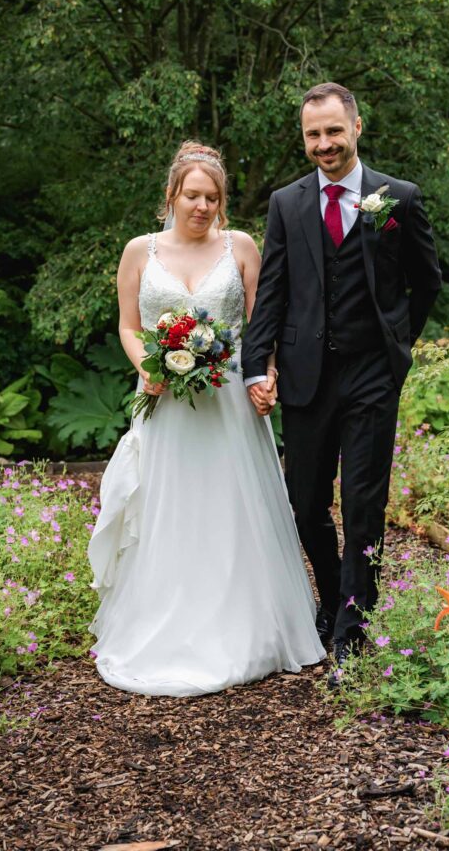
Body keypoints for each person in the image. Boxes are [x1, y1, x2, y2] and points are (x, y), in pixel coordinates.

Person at [87, 141, 325, 696]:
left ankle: (244, 627)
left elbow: (264, 322)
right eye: (192, 195)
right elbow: (127, 325)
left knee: (230, 509)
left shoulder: (240, 246)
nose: (201, 206)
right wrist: (146, 364)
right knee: (172, 510)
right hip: (166, 399)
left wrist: (266, 377)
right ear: (172, 194)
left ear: (222, 203)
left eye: (212, 198)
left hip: (230, 403)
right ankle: (166, 625)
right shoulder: (138, 252)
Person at [242, 83, 442, 687]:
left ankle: (353, 632)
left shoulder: (397, 199)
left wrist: (395, 346)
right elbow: (272, 289)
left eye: (333, 131)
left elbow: (426, 281)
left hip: (372, 376)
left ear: (356, 127)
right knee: (304, 504)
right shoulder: (287, 203)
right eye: (313, 134)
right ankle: (334, 599)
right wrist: (258, 364)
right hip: (305, 378)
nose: (324, 144)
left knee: (362, 505)